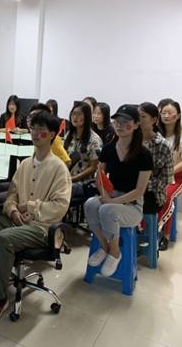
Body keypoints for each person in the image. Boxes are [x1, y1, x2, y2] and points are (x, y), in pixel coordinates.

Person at [0, 111, 71, 322]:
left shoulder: (59, 169)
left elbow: (60, 207)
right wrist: (13, 211)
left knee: (5, 238)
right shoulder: (26, 164)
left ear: (52, 134)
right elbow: (12, 194)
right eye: (33, 128)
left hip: (42, 228)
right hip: (17, 220)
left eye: (41, 130)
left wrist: (30, 206)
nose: (35, 133)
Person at [84, 105, 153, 276]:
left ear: (136, 125)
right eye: (117, 121)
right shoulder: (109, 149)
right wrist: (105, 195)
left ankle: (115, 253)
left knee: (107, 210)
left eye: (125, 121)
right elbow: (99, 176)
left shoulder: (144, 154)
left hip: (133, 205)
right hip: (111, 195)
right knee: (90, 204)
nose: (120, 125)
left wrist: (111, 201)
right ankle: (105, 247)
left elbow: (139, 191)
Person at [138, 102, 173, 217]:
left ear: (153, 120)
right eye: (137, 116)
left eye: (143, 116)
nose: (138, 120)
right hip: (128, 188)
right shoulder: (130, 140)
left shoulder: (163, 145)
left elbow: (167, 179)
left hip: (152, 192)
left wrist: (142, 185)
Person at [157, 98, 182, 250]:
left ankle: (164, 235)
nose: (166, 116)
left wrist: (168, 172)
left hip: (176, 177)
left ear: (177, 115)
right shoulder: (156, 134)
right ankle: (142, 227)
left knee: (165, 195)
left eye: (170, 113)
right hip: (157, 175)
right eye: (163, 113)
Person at [64, 102, 102, 200]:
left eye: (79, 114)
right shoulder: (69, 134)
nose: (75, 117)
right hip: (65, 177)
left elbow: (93, 167)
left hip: (83, 182)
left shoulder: (94, 140)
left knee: (58, 191)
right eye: (73, 114)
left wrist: (73, 178)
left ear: (87, 117)